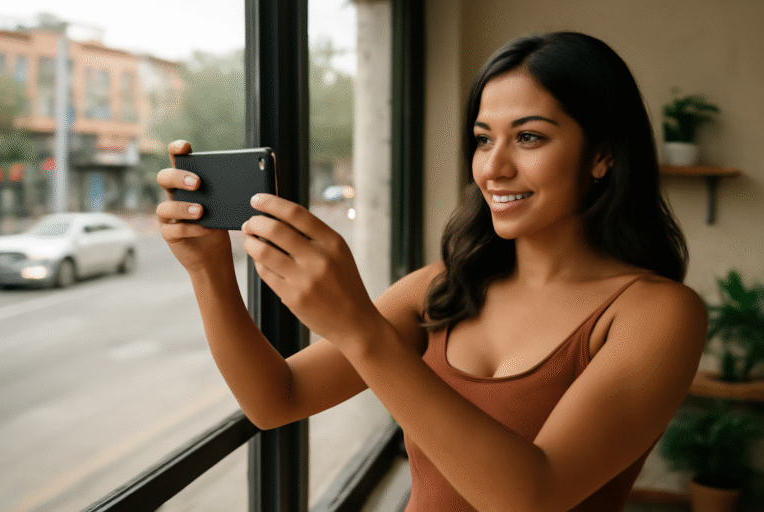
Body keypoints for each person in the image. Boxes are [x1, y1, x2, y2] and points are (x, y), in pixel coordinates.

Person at [156, 31, 707, 512]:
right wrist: (208, 271)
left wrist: (358, 327)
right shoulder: (442, 287)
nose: (494, 167)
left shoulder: (657, 314)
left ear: (602, 155)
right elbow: (276, 398)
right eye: (484, 138)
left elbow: (532, 497)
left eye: (530, 137)